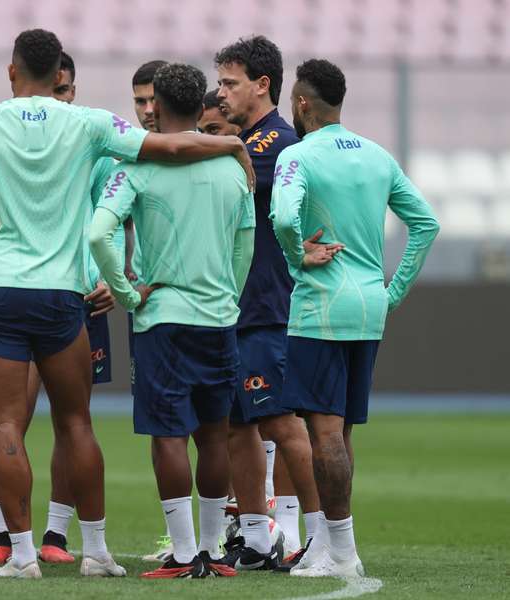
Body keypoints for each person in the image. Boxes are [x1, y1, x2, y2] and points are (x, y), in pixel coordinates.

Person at [0, 28, 253, 579]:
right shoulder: (91, 122)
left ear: (12, 71)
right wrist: (231, 143)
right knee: (76, 423)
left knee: (6, 423)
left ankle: (22, 556)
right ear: (60, 77)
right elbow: (169, 146)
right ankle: (95, 551)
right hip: (63, 291)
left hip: (0, 288)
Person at [270, 58, 439, 578]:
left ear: (301, 103)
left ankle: (342, 551)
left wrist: (298, 254)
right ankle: (325, 543)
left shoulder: (297, 155)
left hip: (321, 307)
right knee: (340, 436)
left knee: (323, 434)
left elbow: (281, 216)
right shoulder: (377, 155)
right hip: (368, 306)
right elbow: (426, 223)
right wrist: (392, 291)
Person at [90, 62, 251, 580]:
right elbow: (245, 241)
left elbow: (98, 235)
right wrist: (229, 293)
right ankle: (212, 552)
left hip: (162, 319)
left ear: (155, 105)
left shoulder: (137, 168)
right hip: (219, 316)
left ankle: (183, 556)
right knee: (214, 433)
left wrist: (126, 294)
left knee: (168, 435)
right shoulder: (232, 165)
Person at [0, 50, 116, 566]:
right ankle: (6, 533)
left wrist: (111, 278)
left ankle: (50, 536)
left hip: (69, 292)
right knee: (44, 417)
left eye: (68, 92)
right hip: (58, 294)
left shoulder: (89, 144)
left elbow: (113, 217)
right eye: (58, 90)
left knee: (49, 420)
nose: (62, 99)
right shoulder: (73, 132)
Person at [214, 35, 322, 570]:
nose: (222, 92)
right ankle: (258, 537)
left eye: (231, 83)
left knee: (282, 422)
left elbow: (222, 174)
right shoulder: (244, 138)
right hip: (238, 307)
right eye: (220, 82)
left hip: (267, 307)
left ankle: (324, 537)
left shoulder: (274, 143)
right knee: (238, 425)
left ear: (263, 85)